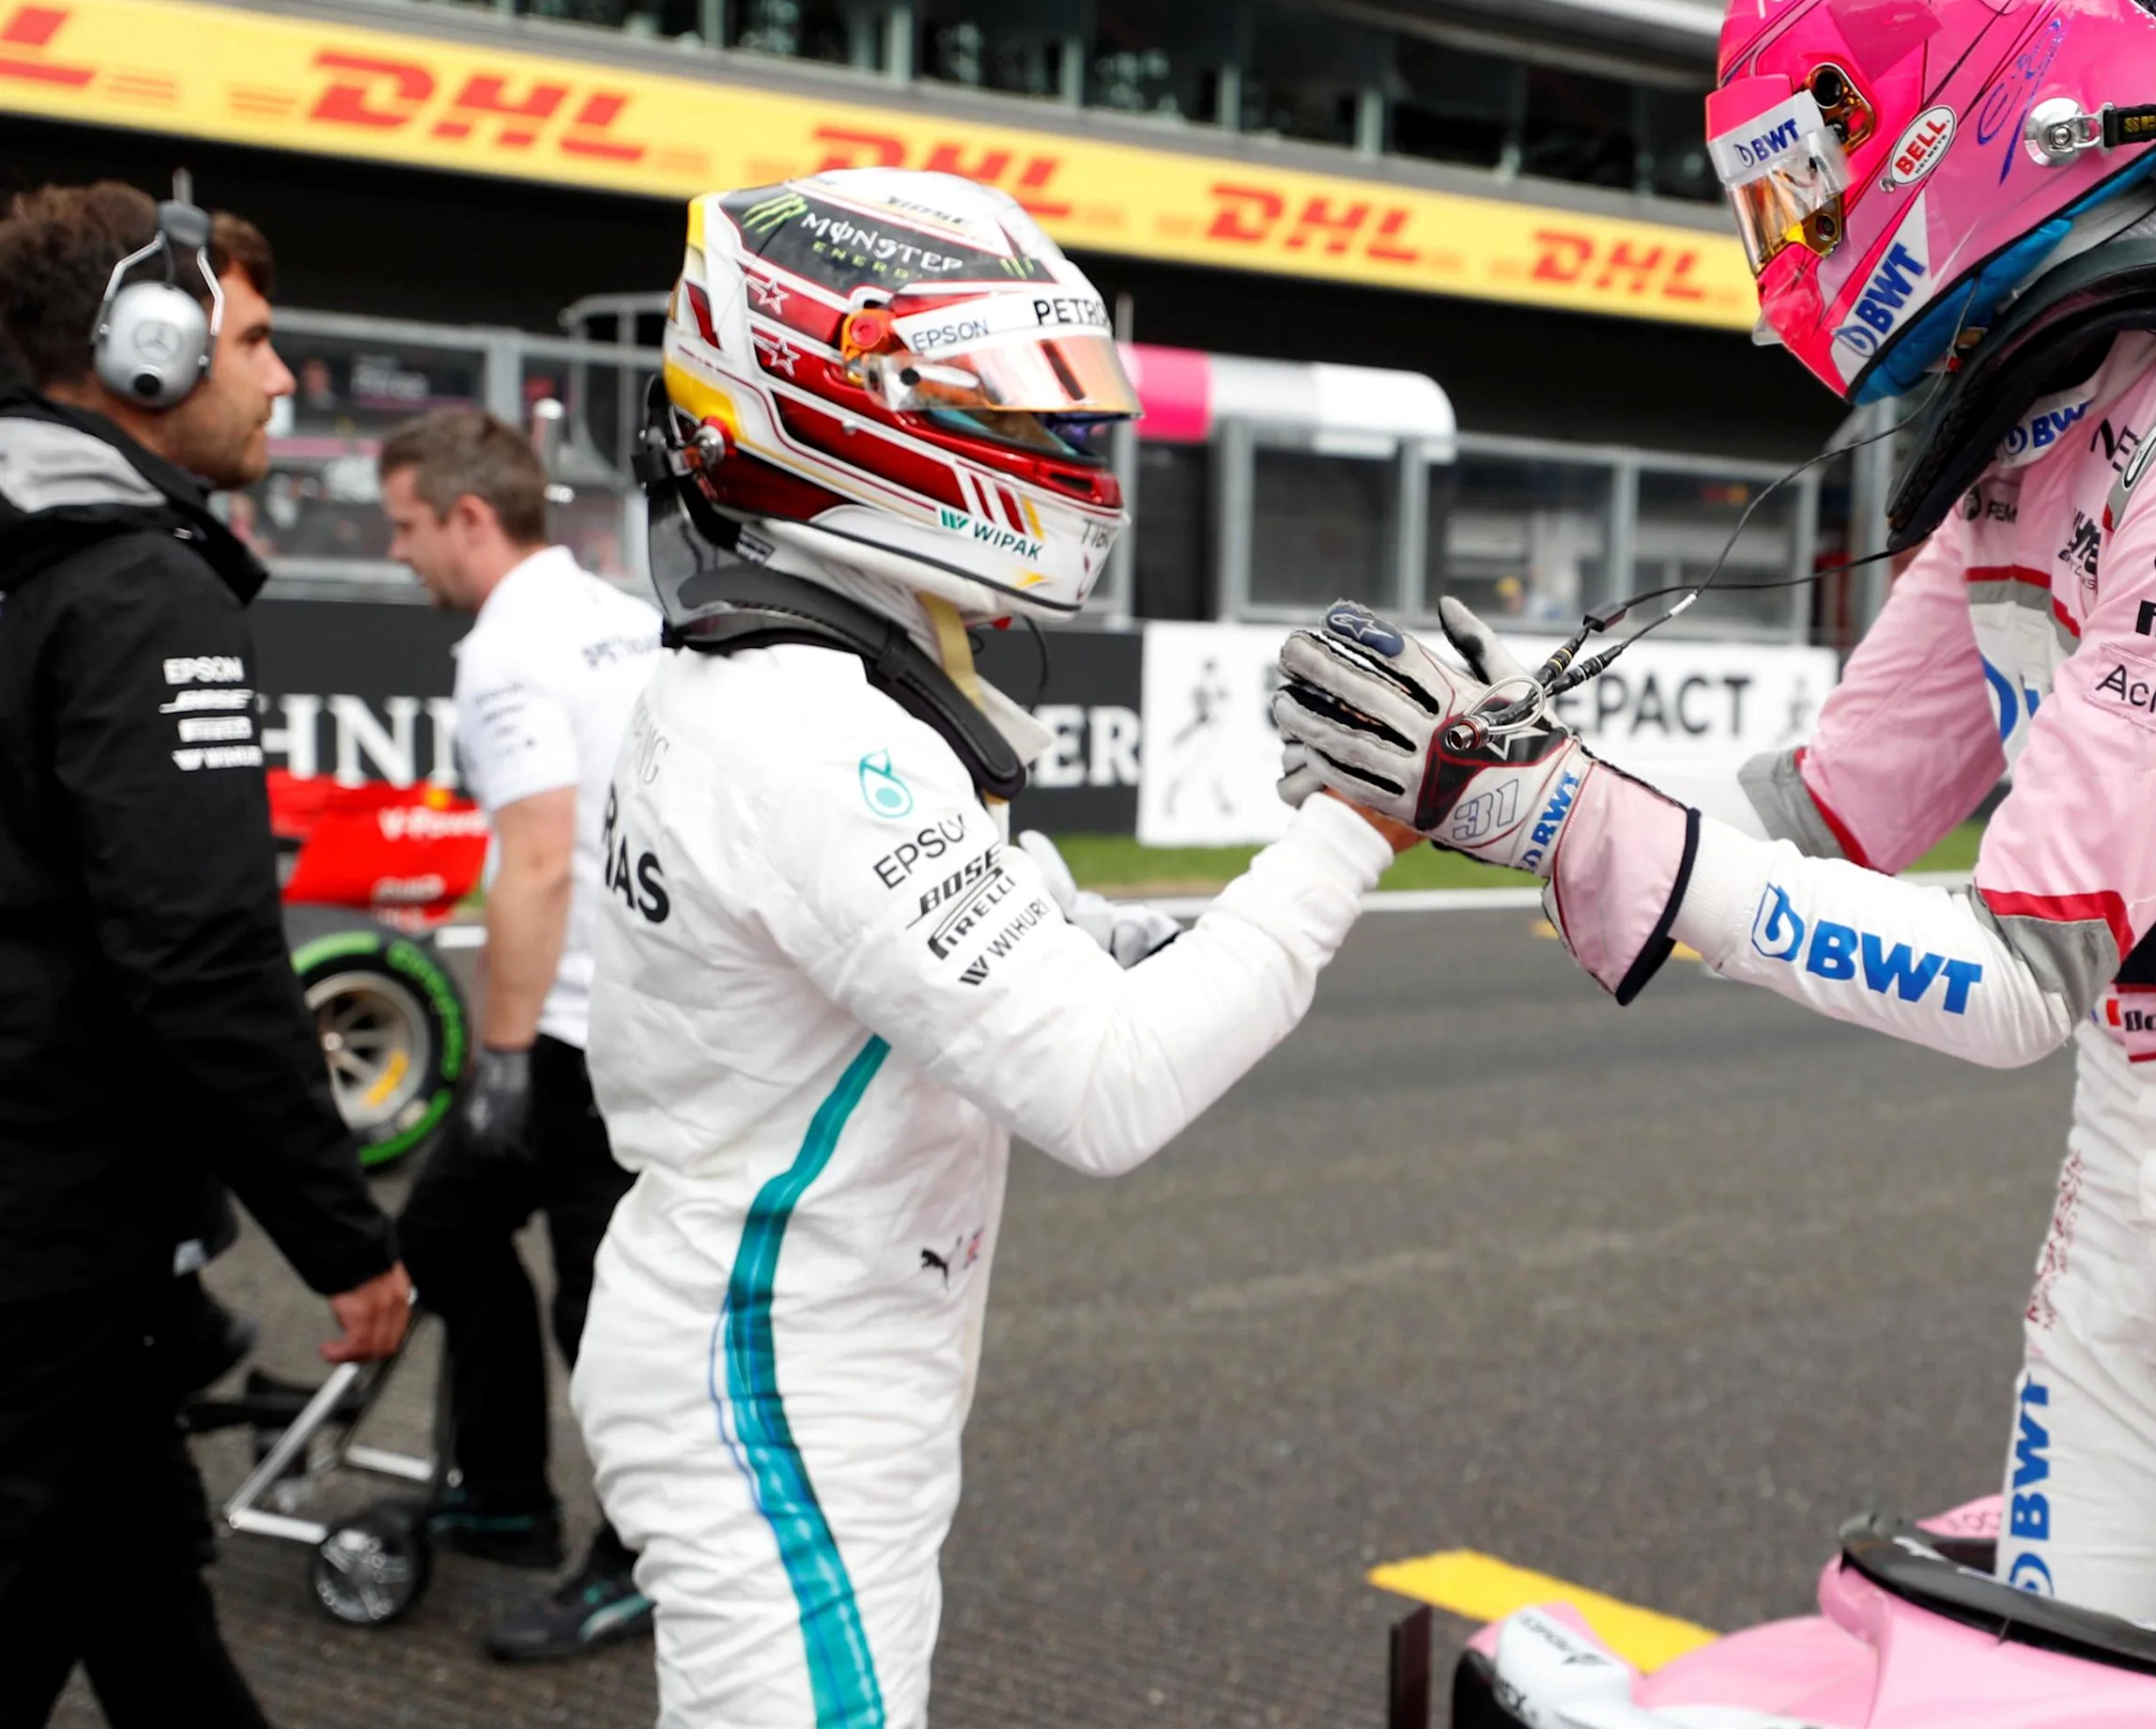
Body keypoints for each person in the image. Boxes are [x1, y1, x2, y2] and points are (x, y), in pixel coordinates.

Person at [1274, 0, 2156, 1675]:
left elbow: (2017, 976)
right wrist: (1502, 769)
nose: (1792, 244)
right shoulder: (2045, 423)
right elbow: (1824, 811)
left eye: (1809, 177)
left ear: (1983, 123)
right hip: (2136, 1140)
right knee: (2045, 1691)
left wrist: (1569, 819)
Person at [572, 166, 1415, 1728]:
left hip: (784, 1337)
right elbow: (1106, 1089)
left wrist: (1175, 927)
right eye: (1015, 407)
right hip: (779, 1368)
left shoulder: (790, 678)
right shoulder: (811, 733)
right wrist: (1361, 822)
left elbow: (1002, 940)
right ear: (838, 403)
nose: (1069, 450)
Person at [0, 181, 412, 1725]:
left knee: (148, 1605)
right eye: (253, 341)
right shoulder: (134, 584)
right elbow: (200, 957)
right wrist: (344, 1238)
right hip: (56, 1242)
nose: (283, 378)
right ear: (149, 355)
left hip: (68, 1249)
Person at [377, 407, 659, 1660]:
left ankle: (643, 1561)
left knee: (603, 1317)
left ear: (470, 517)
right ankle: (502, 1495)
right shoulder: (618, 612)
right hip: (632, 1018)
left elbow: (536, 861)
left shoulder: (505, 649)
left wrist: (497, 1060)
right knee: (446, 1234)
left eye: (406, 527)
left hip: (579, 1040)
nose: (398, 554)